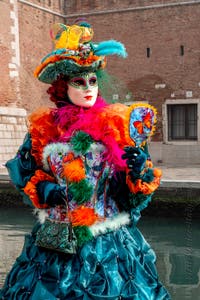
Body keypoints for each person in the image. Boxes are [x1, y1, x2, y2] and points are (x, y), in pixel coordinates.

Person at [0, 21, 171, 299]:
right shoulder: (44, 130)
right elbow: (26, 172)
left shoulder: (116, 127)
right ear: (62, 87)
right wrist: (45, 189)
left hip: (108, 239)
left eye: (92, 80)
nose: (88, 88)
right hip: (57, 239)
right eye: (79, 82)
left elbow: (129, 197)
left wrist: (138, 172)